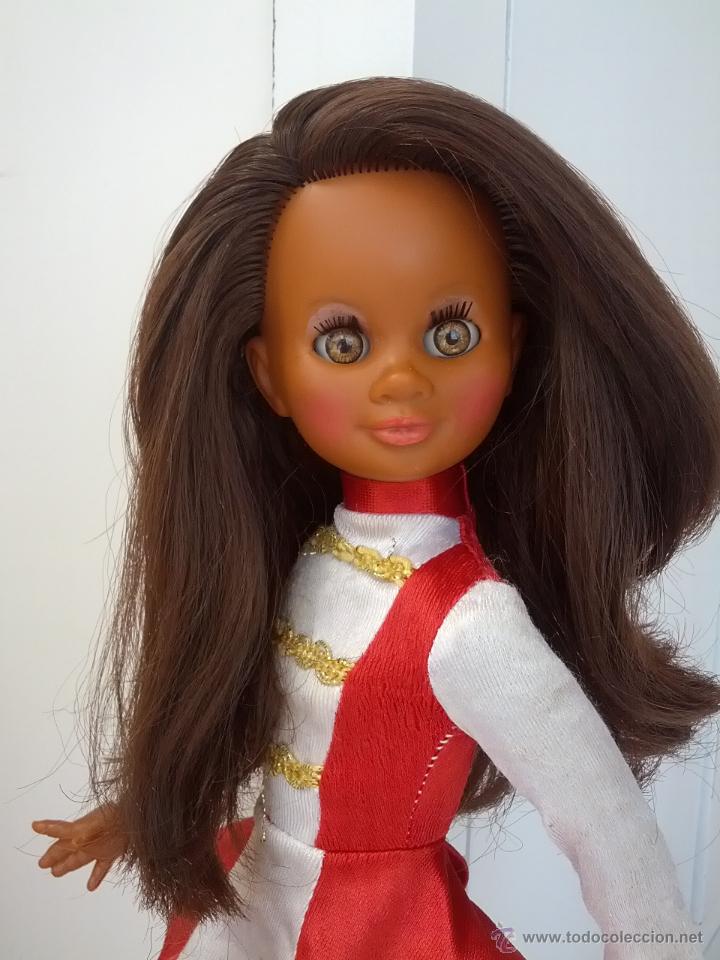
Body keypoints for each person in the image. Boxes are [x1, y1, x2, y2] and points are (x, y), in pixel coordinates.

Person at [33, 76, 720, 958]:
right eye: (343, 343)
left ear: (512, 349)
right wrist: (147, 813)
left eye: (450, 335)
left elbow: (608, 828)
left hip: (386, 930)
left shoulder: (470, 624)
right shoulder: (310, 558)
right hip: (256, 907)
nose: (400, 380)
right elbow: (261, 722)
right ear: (269, 375)